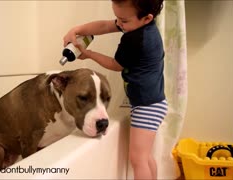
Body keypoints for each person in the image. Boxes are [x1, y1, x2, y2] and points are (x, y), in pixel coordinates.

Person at [63, 0, 167, 179]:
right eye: (117, 18)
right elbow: (105, 25)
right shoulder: (142, 24)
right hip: (154, 102)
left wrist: (87, 54)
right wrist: (77, 30)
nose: (119, 24)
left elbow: (115, 64)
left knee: (138, 160)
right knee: (146, 157)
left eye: (123, 21)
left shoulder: (135, 39)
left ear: (147, 18)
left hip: (147, 105)